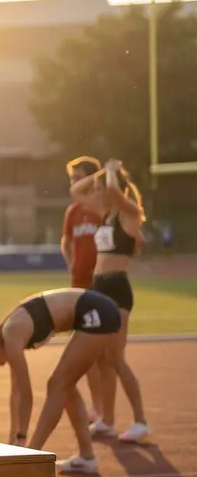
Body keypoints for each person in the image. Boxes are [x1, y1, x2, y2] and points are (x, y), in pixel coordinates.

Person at [0, 287, 123, 474]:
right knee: (66, 387)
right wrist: (12, 439)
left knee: (57, 384)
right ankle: (86, 456)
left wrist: (22, 441)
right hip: (94, 311)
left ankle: (32, 456)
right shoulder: (8, 336)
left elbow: (26, 395)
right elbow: (15, 393)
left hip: (97, 311)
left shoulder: (12, 335)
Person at [69, 159, 151, 444]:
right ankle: (108, 421)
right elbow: (77, 192)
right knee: (103, 360)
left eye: (101, 189)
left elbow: (116, 193)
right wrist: (101, 175)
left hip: (117, 290)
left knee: (116, 358)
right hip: (98, 288)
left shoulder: (129, 212)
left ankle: (140, 420)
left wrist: (113, 175)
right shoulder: (105, 213)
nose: (97, 194)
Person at [61, 157, 105, 421]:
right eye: (72, 178)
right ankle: (98, 409)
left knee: (106, 354)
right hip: (78, 285)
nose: (74, 183)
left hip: (101, 284)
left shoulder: (101, 207)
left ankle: (106, 411)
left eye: (78, 177)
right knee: (87, 352)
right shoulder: (73, 212)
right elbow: (65, 241)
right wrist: (70, 264)